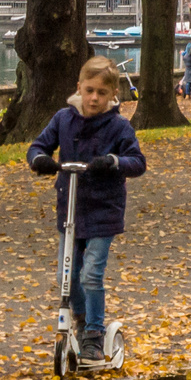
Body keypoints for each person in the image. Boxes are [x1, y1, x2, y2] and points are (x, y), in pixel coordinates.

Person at [27, 56, 146, 363]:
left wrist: (115, 162)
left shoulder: (118, 126)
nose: (94, 98)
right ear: (79, 88)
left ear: (112, 95)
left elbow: (137, 162)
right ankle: (79, 319)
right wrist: (39, 159)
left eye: (102, 93)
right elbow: (38, 146)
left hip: (103, 212)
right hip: (70, 211)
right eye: (89, 90)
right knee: (66, 274)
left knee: (91, 274)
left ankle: (94, 331)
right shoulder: (63, 119)